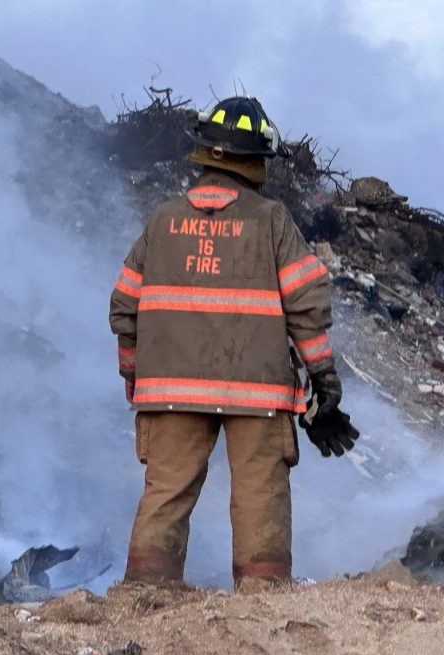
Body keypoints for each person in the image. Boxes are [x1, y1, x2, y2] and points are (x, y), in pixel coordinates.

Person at [109, 97, 358, 588]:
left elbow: (124, 306)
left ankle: (144, 595)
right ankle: (261, 599)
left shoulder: (162, 220)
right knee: (260, 489)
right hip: (257, 394)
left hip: (170, 388)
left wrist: (135, 375)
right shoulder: (271, 220)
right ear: (257, 161)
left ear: (205, 155)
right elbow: (307, 309)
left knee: (166, 492)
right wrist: (324, 383)